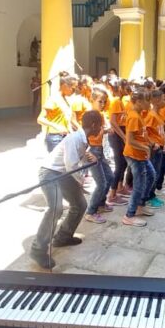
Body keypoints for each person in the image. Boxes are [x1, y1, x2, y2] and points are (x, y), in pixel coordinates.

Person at [30, 110, 103, 269]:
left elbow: (79, 160)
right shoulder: (75, 138)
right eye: (101, 126)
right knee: (55, 208)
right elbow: (71, 165)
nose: (101, 129)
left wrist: (92, 159)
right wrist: (81, 181)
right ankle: (38, 249)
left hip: (63, 174)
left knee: (80, 204)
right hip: (50, 173)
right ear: (94, 125)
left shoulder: (83, 140)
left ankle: (63, 236)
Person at [123, 91, 156, 227]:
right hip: (135, 155)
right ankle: (129, 215)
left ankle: (140, 205)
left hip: (140, 154)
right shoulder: (133, 117)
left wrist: (149, 143)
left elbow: (141, 134)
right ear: (138, 102)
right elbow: (130, 140)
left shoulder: (139, 115)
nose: (149, 103)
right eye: (147, 101)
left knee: (151, 175)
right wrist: (146, 148)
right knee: (139, 185)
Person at [83, 88, 115, 224]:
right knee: (101, 183)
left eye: (104, 101)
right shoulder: (89, 115)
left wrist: (106, 130)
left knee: (110, 177)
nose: (102, 104)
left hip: (99, 150)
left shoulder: (100, 114)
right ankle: (91, 211)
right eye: (99, 101)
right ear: (92, 100)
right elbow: (83, 137)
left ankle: (101, 203)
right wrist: (88, 152)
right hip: (92, 151)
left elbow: (100, 131)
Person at [37, 75, 78, 152]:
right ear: (65, 86)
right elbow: (40, 119)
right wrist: (56, 126)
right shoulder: (54, 99)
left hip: (65, 136)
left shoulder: (65, 100)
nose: (74, 91)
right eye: (73, 88)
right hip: (55, 137)